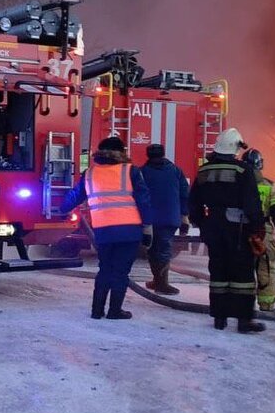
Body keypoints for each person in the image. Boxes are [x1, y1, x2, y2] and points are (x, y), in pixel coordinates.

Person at [60, 136, 154, 320]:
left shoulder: (90, 173)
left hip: (103, 231)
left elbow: (75, 195)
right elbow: (143, 200)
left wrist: (62, 209)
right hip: (129, 231)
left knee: (105, 270)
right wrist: (148, 227)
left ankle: (97, 310)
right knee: (120, 272)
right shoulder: (130, 171)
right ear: (122, 152)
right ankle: (114, 310)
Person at [187, 127, 265, 333]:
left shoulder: (204, 171)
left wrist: (202, 224)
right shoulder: (242, 170)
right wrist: (258, 229)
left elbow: (193, 203)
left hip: (213, 226)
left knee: (218, 272)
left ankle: (220, 318)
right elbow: (252, 203)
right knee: (242, 275)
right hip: (238, 229)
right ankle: (243, 320)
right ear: (234, 148)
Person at [138, 143, 190, 295]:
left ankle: (161, 283)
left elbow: (140, 196)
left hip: (150, 219)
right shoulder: (175, 170)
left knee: (154, 250)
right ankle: (160, 282)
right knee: (163, 249)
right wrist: (184, 216)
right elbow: (184, 193)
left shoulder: (142, 172)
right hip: (170, 217)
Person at [242, 148, 275, 312]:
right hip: (263, 232)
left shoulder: (237, 185)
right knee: (267, 268)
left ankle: (243, 306)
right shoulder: (270, 186)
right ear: (260, 165)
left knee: (242, 270)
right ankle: (267, 305)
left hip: (241, 231)